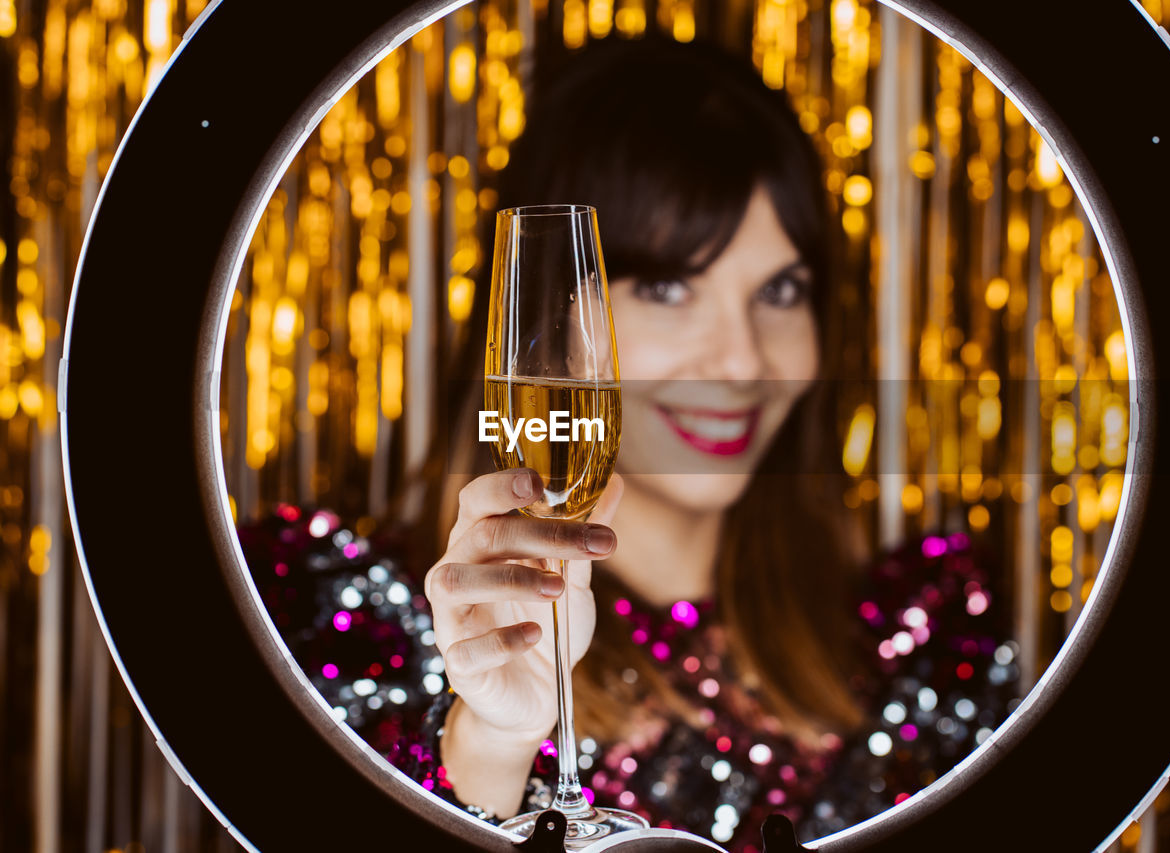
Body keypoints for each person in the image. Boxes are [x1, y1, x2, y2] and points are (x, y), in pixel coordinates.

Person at [237, 33, 1021, 852]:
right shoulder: (345, 619)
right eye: (667, 287)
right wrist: (490, 745)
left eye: (781, 290)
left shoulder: (922, 632)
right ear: (542, 317)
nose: (743, 360)